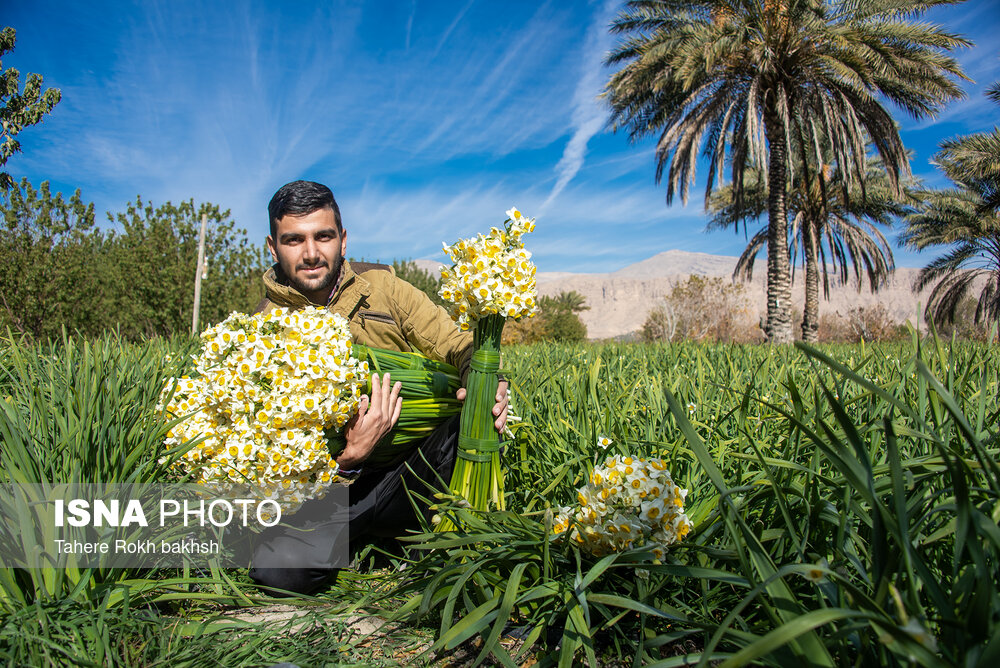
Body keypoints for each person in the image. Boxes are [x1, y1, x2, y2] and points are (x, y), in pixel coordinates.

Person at [248, 180, 508, 595]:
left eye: (324, 236)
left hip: (410, 470)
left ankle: (443, 540)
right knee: (279, 574)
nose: (312, 253)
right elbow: (268, 470)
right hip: (334, 489)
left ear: (343, 240)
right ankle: (373, 539)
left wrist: (484, 383)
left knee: (469, 417)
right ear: (273, 247)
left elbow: (458, 344)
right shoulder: (259, 332)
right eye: (294, 240)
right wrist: (349, 458)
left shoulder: (385, 289)